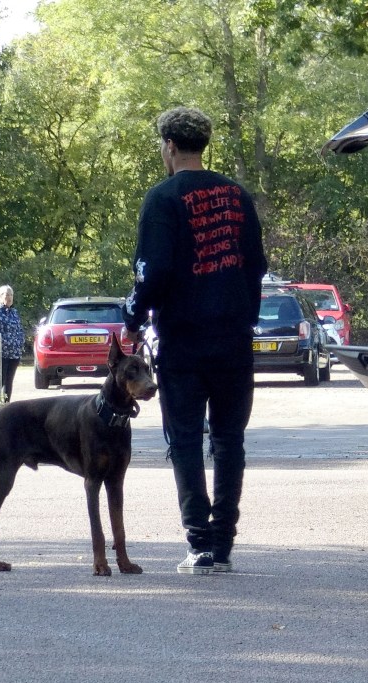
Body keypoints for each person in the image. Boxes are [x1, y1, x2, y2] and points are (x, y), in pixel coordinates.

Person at [122, 107, 267, 575]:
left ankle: (199, 545)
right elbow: (256, 265)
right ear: (203, 145)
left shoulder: (162, 198)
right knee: (229, 440)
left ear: (168, 146)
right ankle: (223, 544)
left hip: (183, 340)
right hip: (232, 339)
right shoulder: (236, 195)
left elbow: (154, 271)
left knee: (184, 439)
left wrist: (133, 316)